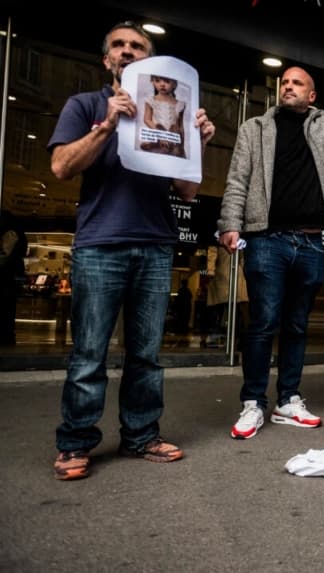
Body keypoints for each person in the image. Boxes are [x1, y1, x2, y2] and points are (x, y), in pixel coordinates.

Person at [47, 21, 216, 480]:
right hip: (101, 243)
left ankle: (141, 436)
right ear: (107, 60)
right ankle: (76, 442)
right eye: (118, 46)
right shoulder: (85, 105)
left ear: (150, 60)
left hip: (155, 245)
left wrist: (196, 146)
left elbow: (185, 191)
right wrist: (108, 124)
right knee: (89, 353)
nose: (127, 51)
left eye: (137, 46)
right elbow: (62, 166)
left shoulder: (170, 112)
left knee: (146, 353)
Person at [218, 17, 324, 439]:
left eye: (297, 83)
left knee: (296, 325)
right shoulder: (254, 129)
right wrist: (229, 224)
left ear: (312, 95)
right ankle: (253, 402)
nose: (288, 86)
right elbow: (237, 180)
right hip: (267, 241)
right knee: (264, 323)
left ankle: (288, 399)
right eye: (284, 82)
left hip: (311, 244)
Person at [202, 245, 249, 348]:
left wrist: (210, 270)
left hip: (233, 276)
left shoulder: (238, 241)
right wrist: (211, 270)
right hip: (225, 275)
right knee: (225, 310)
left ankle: (231, 339)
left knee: (230, 311)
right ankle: (224, 338)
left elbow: (242, 258)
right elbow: (212, 252)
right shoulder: (224, 239)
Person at [0, 211, 28, 345]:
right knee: (8, 309)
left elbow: (4, 254)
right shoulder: (15, 231)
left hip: (6, 276)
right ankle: (7, 336)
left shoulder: (10, 232)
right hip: (9, 278)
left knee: (6, 309)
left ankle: (6, 336)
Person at [142, 74, 186, 157]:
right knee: (159, 126)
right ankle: (156, 143)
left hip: (172, 135)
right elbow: (147, 119)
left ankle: (170, 146)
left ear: (174, 84)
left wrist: (182, 145)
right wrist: (160, 133)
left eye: (167, 81)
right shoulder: (150, 100)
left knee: (174, 128)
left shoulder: (180, 104)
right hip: (158, 131)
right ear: (153, 82)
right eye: (157, 81)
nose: (162, 84)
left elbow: (181, 126)